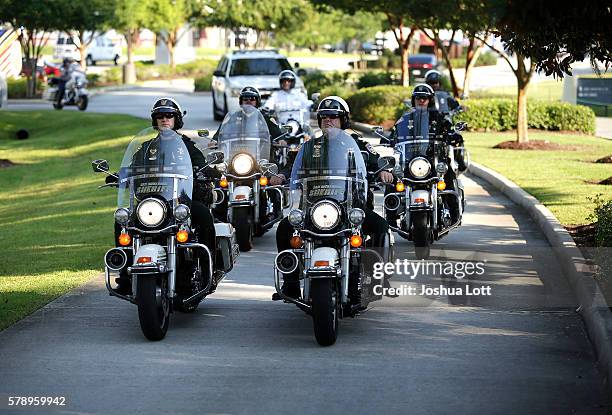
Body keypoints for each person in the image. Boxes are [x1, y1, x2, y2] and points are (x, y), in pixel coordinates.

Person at [273, 96, 393, 300]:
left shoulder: (359, 146)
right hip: (314, 208)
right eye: (324, 117)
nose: (328, 121)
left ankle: (376, 281)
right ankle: (291, 283)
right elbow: (292, 165)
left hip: (351, 208)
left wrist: (384, 171)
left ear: (344, 121)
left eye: (334, 117)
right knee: (284, 228)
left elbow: (376, 161)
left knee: (381, 227)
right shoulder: (310, 147)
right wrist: (282, 175)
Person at [109, 98, 218, 293]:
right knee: (122, 220)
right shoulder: (146, 147)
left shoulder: (186, 145)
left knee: (203, 215)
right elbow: (132, 168)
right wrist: (119, 176)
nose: (164, 119)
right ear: (155, 120)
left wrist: (207, 172)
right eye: (160, 116)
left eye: (169, 116)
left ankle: (209, 268)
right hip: (151, 204)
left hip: (179, 202)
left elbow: (202, 165)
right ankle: (125, 274)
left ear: (176, 119)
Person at [385, 84, 463, 224]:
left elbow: (449, 131)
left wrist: (454, 135)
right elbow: (394, 133)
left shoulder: (440, 118)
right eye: (418, 98)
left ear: (430, 100)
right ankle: (390, 217)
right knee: (393, 179)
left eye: (425, 98)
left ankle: (455, 214)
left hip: (434, 160)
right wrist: (388, 138)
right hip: (410, 161)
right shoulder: (405, 119)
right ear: (413, 100)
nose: (421, 101)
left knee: (449, 176)